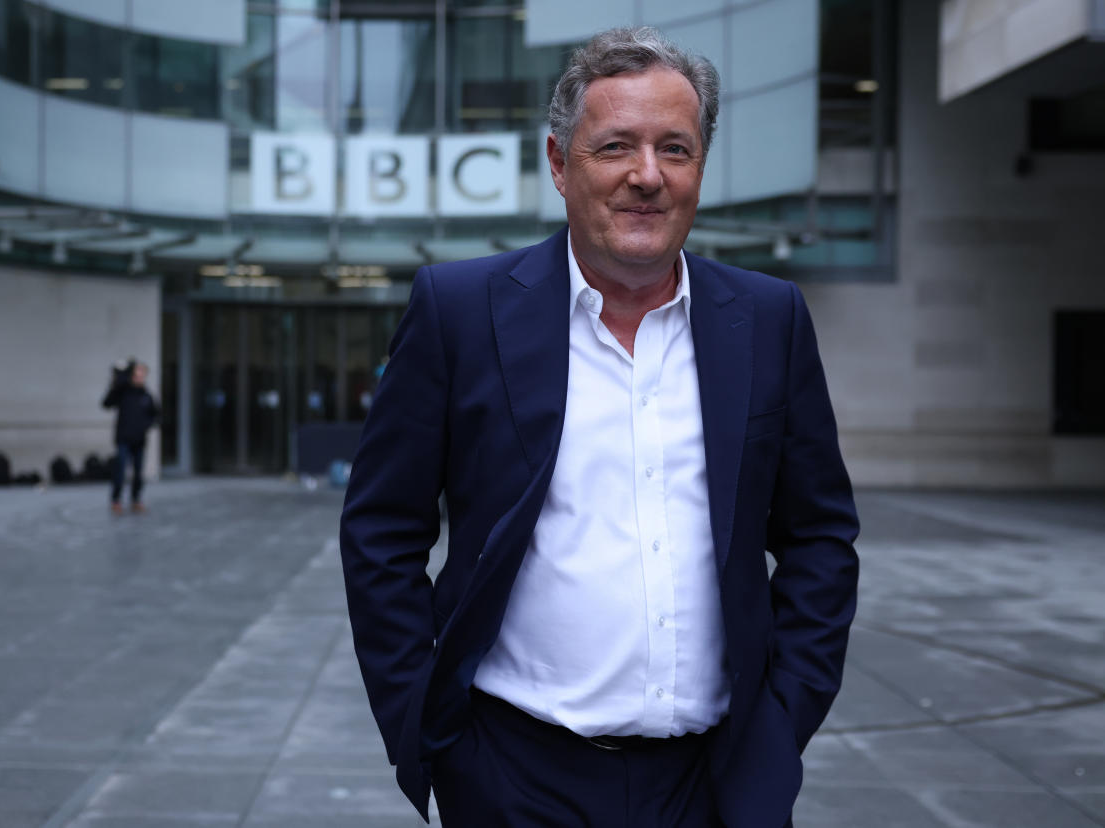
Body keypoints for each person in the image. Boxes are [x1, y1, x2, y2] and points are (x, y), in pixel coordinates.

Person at [340, 26, 859, 828]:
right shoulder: (460, 313)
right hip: (512, 777)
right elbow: (381, 529)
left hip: (716, 785)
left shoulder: (767, 319)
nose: (646, 176)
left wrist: (781, 722)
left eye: (675, 149)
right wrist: (434, 736)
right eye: (615, 145)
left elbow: (820, 535)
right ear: (558, 163)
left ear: (699, 167)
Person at [102, 360, 160, 515]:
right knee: (120, 470)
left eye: (142, 375)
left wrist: (146, 426)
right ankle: (116, 500)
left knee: (138, 472)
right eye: (136, 374)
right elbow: (106, 403)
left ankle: (136, 499)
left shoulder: (147, 396)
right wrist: (117, 382)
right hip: (123, 439)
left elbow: (155, 415)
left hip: (139, 440)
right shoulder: (123, 393)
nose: (139, 378)